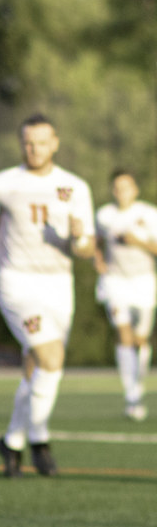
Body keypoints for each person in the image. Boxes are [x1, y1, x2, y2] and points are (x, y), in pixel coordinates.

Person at [0, 114, 95, 478]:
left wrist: (79, 237)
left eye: (40, 142)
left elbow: (87, 249)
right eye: (27, 142)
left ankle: (13, 441)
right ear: (21, 144)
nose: (33, 148)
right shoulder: (3, 183)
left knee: (37, 367)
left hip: (59, 285)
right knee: (51, 357)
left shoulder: (76, 187)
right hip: (16, 283)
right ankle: (38, 439)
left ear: (55, 143)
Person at [93, 169, 157, 421]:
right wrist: (98, 260)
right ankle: (131, 395)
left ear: (135, 189)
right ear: (112, 190)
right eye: (117, 187)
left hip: (143, 282)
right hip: (115, 282)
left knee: (141, 340)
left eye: (126, 187)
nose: (121, 192)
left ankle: (137, 385)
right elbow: (96, 241)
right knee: (124, 335)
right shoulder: (104, 215)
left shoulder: (148, 213)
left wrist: (137, 241)